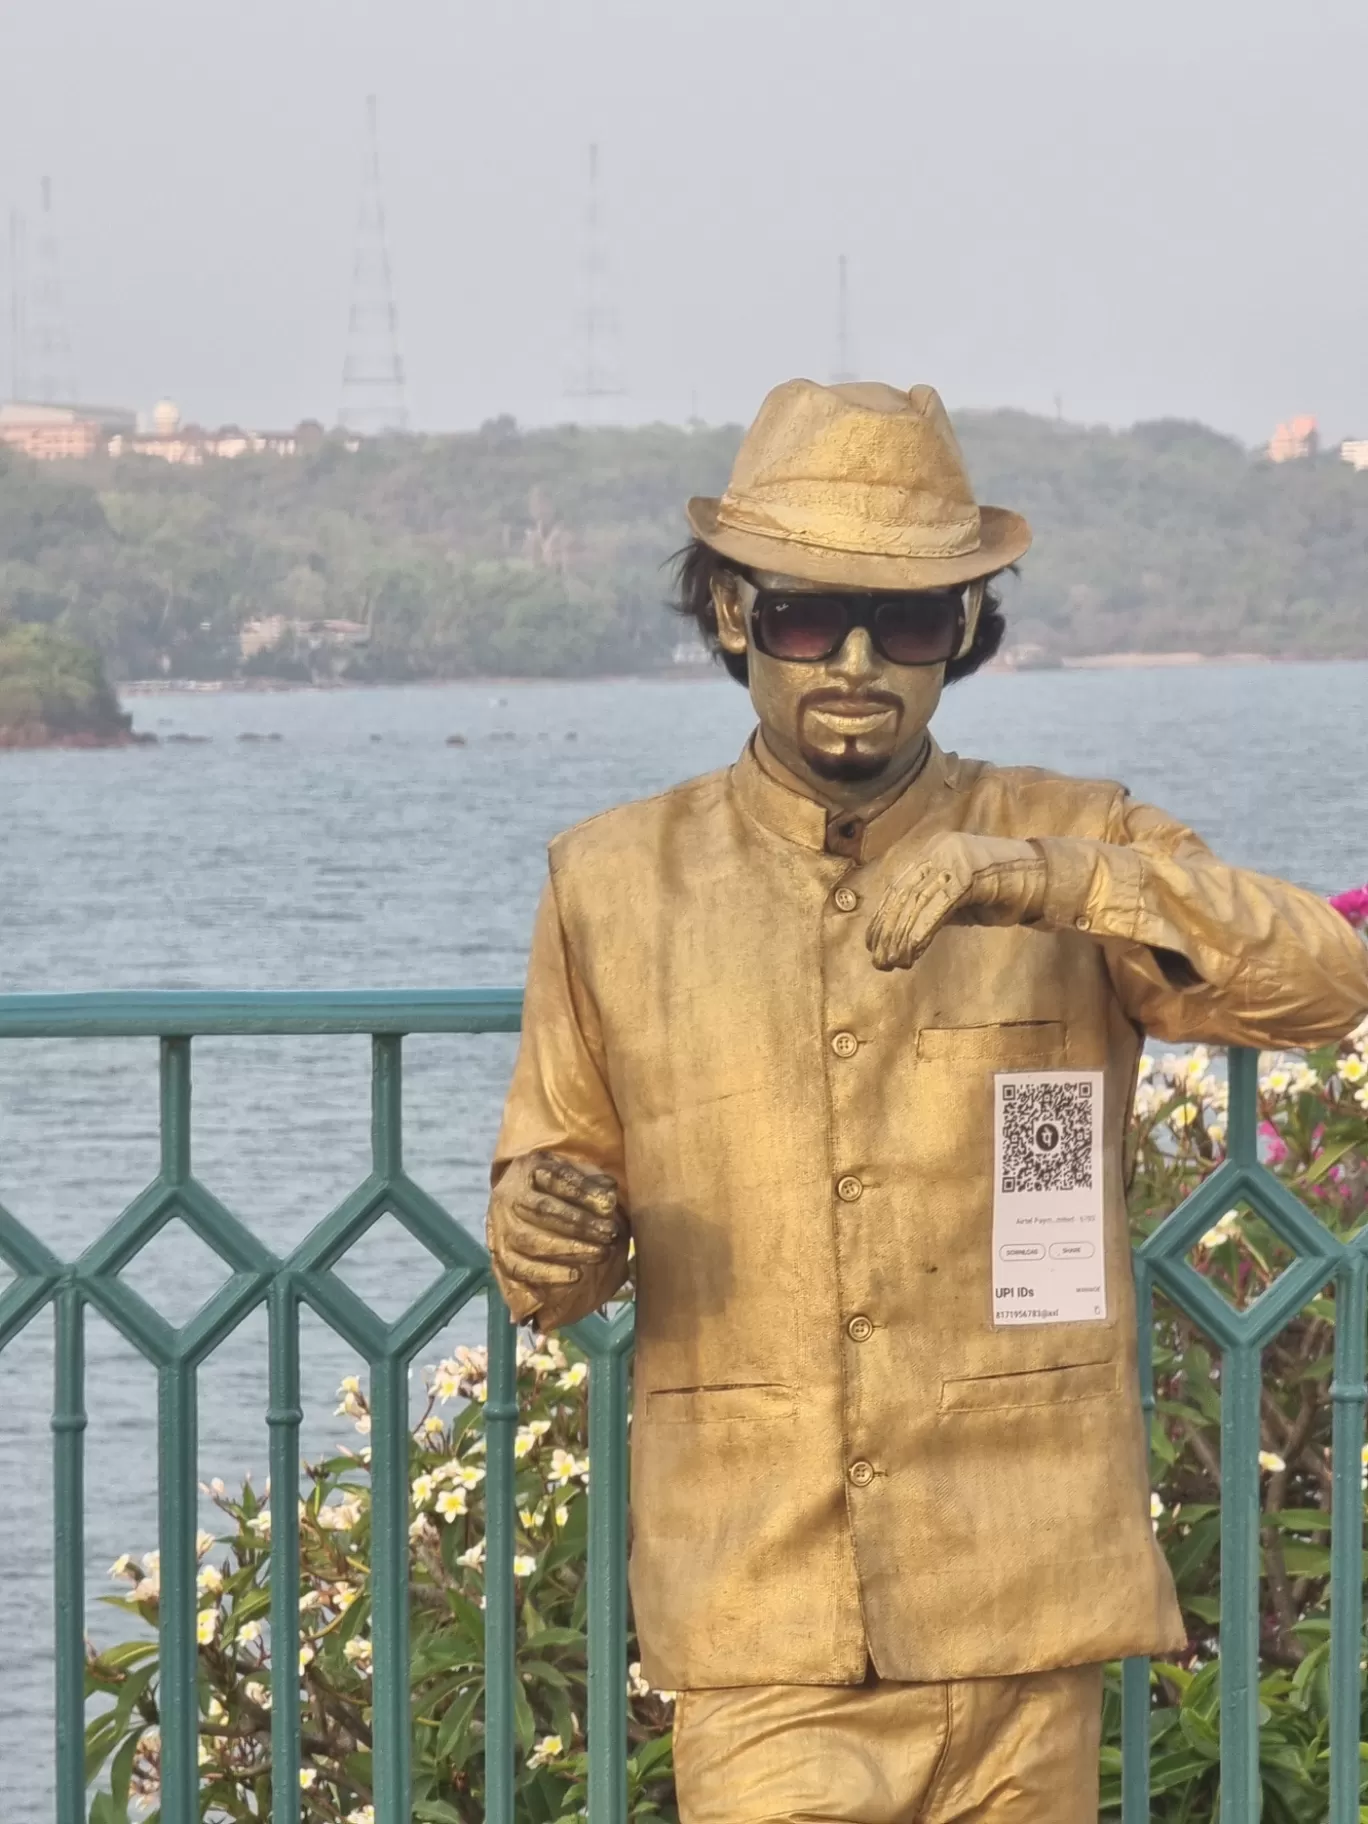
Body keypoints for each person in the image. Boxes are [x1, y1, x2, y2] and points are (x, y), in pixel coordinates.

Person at [486, 379, 1368, 1823]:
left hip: (1023, 1589)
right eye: (799, 616)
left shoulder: (1075, 832)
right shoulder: (610, 884)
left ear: (962, 632)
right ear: (729, 616)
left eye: (903, 623)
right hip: (762, 1617)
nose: (852, 661)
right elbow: (551, 1220)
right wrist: (551, 1227)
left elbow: (1321, 979)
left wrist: (1032, 878)